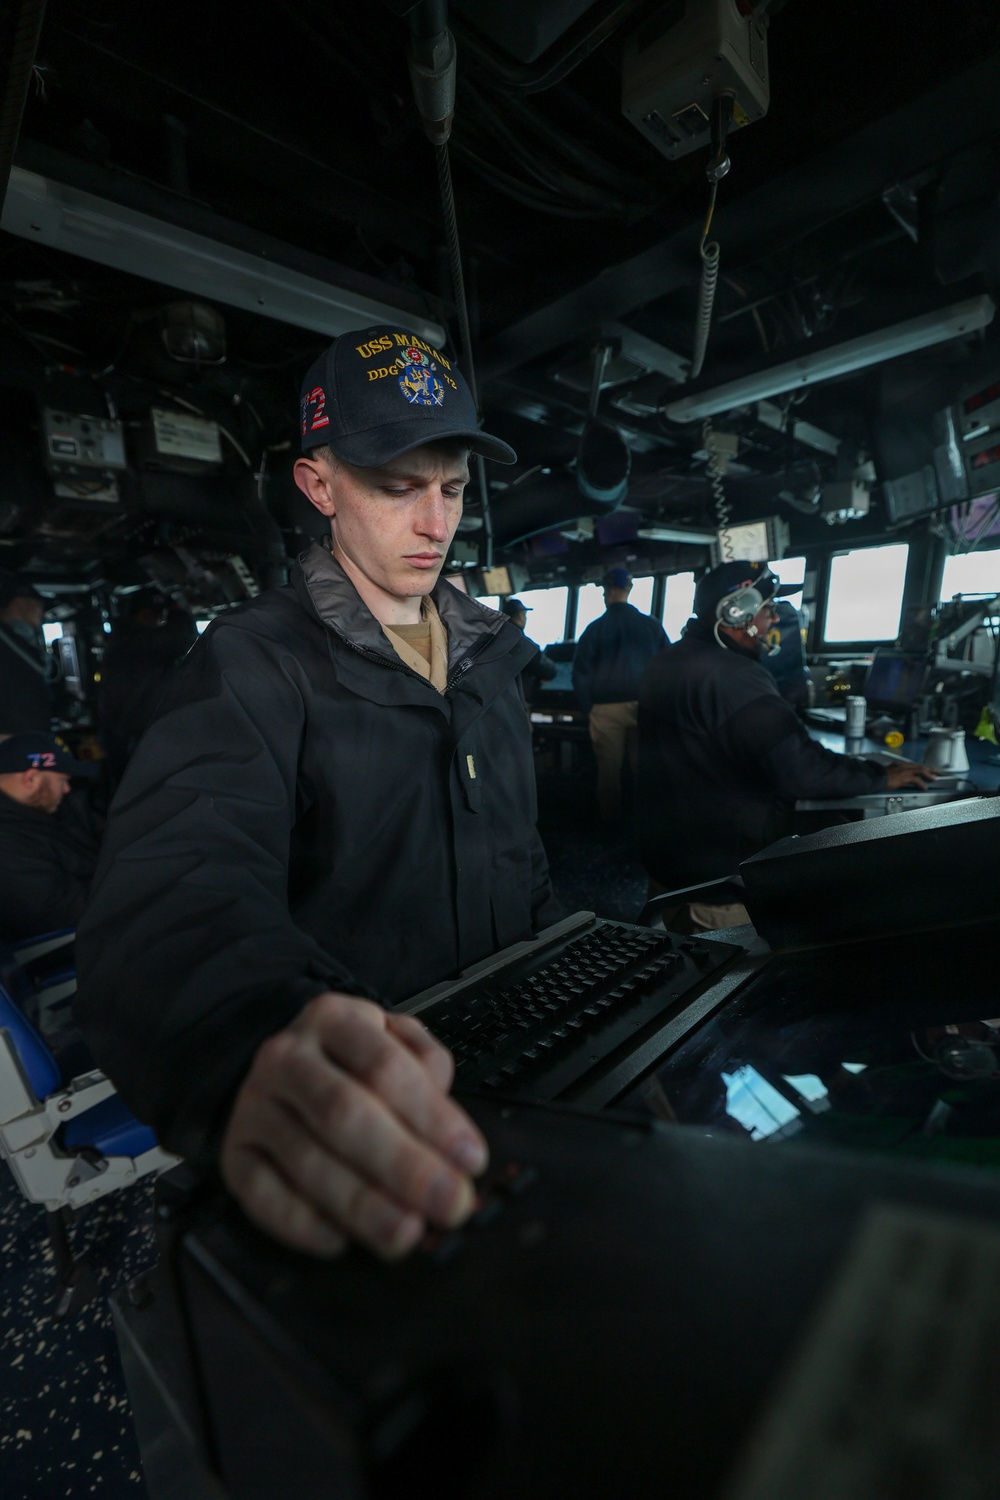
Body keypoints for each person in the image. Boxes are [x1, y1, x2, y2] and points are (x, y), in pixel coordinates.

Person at [75, 323, 560, 1263]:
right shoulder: (251, 665)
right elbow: (174, 887)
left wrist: (571, 970)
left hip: (521, 1059)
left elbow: (520, 851)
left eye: (453, 489)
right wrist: (252, 1034)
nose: (436, 524)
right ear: (319, 485)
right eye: (397, 487)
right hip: (367, 1097)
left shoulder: (491, 656)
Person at [637, 560, 936, 929]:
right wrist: (880, 776)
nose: (774, 619)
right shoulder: (734, 676)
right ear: (738, 612)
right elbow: (802, 771)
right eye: (769, 608)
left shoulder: (667, 660)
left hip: (672, 864)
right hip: (721, 881)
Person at [571, 567, 668, 822]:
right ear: (628, 589)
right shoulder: (652, 626)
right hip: (645, 707)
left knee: (608, 773)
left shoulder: (594, 629)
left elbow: (580, 673)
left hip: (605, 710)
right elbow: (667, 666)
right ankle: (645, 824)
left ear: (609, 591)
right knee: (643, 770)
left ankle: (610, 825)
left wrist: (588, 709)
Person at [0, 731, 101, 943]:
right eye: (62, 780)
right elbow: (59, 914)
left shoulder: (48, 808)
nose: (67, 789)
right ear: (31, 779)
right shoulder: (8, 846)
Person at [98, 589, 198, 783]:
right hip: (138, 736)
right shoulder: (137, 641)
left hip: (128, 734)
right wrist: (177, 612)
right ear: (141, 615)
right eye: (154, 615)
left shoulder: (124, 639)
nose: (158, 621)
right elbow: (181, 637)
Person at [0, 572, 54, 733]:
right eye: (38, 606)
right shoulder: (7, 645)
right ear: (19, 603)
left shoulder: (19, 643)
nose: (41, 614)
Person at [500, 597, 558, 705]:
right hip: (516, 700)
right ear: (520, 615)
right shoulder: (524, 644)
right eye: (524, 614)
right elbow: (547, 670)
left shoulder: (493, 638)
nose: (525, 618)